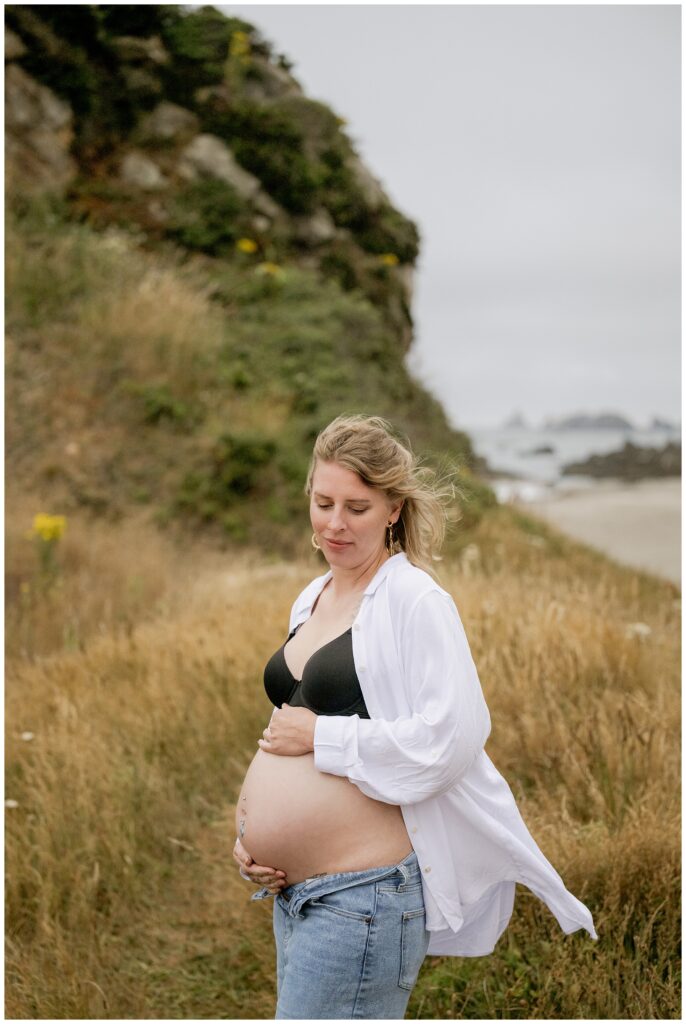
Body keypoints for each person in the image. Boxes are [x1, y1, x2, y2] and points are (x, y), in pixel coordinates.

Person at [233, 413, 597, 1020]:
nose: (335, 523)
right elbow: (287, 730)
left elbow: (451, 738)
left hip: (362, 898)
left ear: (394, 509)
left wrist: (324, 736)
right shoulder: (312, 595)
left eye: (357, 506)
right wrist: (252, 840)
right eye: (323, 502)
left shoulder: (415, 600)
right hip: (293, 895)